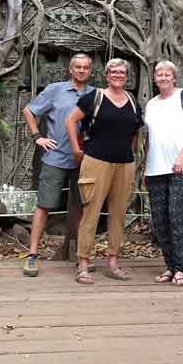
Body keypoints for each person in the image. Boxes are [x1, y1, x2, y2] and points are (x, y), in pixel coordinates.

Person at [65, 58, 143, 285]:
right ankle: (83, 263)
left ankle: (113, 261)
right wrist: (76, 149)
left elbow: (135, 131)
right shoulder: (94, 97)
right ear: (107, 75)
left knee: (118, 213)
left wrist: (132, 154)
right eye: (114, 72)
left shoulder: (131, 100)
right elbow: (70, 121)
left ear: (126, 76)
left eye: (122, 72)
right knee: (91, 211)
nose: (118, 75)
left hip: (124, 164)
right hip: (96, 160)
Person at [21, 53, 94, 277]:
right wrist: (38, 137)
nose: (81, 71)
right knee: (45, 204)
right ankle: (32, 255)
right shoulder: (56, 89)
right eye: (78, 67)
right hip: (55, 157)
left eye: (86, 68)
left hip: (84, 159)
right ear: (70, 70)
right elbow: (29, 110)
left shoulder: (95, 94)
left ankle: (82, 256)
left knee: (83, 206)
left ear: (90, 71)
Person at [143, 61, 183, 286]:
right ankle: (169, 265)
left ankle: (181, 268)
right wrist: (146, 167)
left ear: (174, 77)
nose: (163, 77)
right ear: (155, 78)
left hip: (181, 166)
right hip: (155, 168)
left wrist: (182, 155)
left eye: (167, 74)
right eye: (159, 74)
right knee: (160, 220)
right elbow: (150, 138)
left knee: (177, 216)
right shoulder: (151, 104)